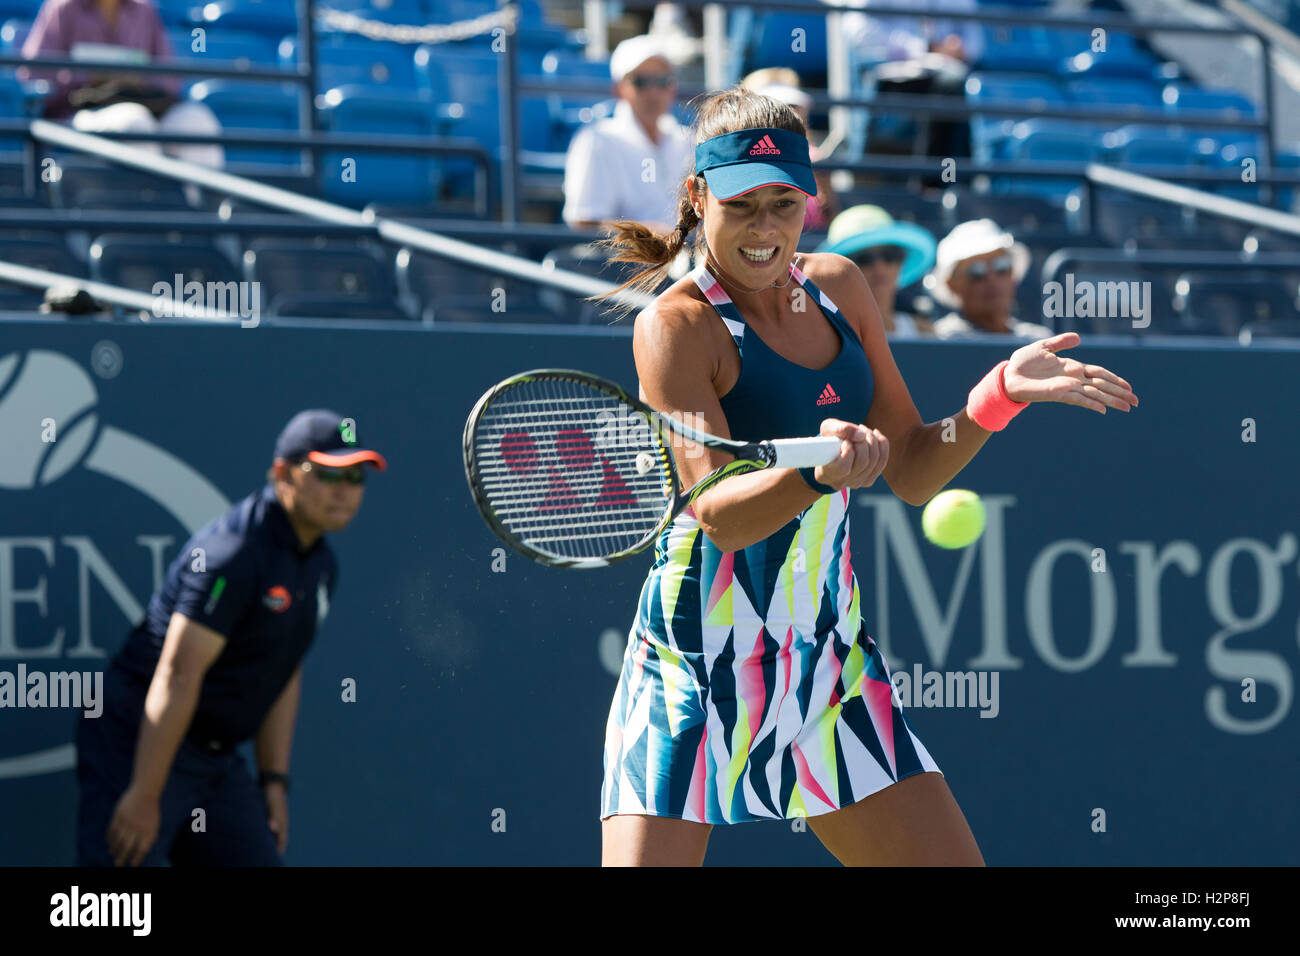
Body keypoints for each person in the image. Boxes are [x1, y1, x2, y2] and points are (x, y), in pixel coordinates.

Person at [594, 87, 1139, 866]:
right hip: (695, 664)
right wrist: (817, 475)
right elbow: (718, 515)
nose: (765, 229)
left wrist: (998, 396)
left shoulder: (841, 288)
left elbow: (914, 467)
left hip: (828, 660)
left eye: (785, 205)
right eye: (743, 205)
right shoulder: (676, 327)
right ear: (697, 196)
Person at [76, 410, 387, 866]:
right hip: (138, 743)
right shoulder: (232, 554)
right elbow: (179, 674)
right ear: (283, 474)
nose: (345, 490)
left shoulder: (321, 566)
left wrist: (273, 780)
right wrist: (145, 793)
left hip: (216, 762)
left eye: (356, 475)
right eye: (326, 473)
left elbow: (282, 669)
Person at [21, 0, 224, 168]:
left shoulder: (146, 11)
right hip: (82, 110)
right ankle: (147, 206)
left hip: (148, 106)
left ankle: (206, 211)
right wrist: (87, 78)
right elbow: (33, 75)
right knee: (134, 123)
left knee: (197, 121)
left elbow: (169, 79)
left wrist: (137, 80)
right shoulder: (62, 8)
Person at [562, 34, 692, 233]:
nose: (653, 91)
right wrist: (646, 235)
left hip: (680, 257)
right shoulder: (596, 141)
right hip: (621, 261)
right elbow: (583, 222)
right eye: (641, 82)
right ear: (618, 89)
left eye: (663, 81)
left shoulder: (688, 140)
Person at [740, 67, 839, 231]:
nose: (790, 114)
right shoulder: (740, 159)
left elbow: (829, 217)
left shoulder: (814, 156)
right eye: (780, 107)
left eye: (794, 107)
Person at [819, 204, 936, 338]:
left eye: (890, 255)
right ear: (837, 272)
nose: (879, 266)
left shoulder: (923, 331)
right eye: (863, 258)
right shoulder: (824, 335)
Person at [930, 219, 1053, 339]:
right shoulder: (941, 338)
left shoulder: (1038, 339)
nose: (992, 279)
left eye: (1001, 267)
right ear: (952, 285)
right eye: (976, 271)